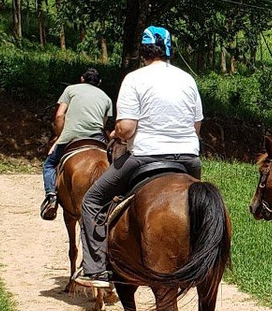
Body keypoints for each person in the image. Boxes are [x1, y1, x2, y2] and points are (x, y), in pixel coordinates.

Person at [74, 26, 204, 288]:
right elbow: (196, 127)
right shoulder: (187, 79)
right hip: (189, 159)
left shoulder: (134, 79)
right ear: (169, 50)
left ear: (143, 51)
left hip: (145, 156)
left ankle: (96, 269)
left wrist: (117, 134)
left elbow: (127, 128)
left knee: (92, 201)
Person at [40, 68, 113, 220]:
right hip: (97, 138)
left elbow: (59, 116)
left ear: (82, 79)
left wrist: (60, 137)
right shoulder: (107, 98)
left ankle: (51, 197)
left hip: (71, 135)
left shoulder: (70, 90)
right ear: (99, 82)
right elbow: (103, 124)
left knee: (49, 164)